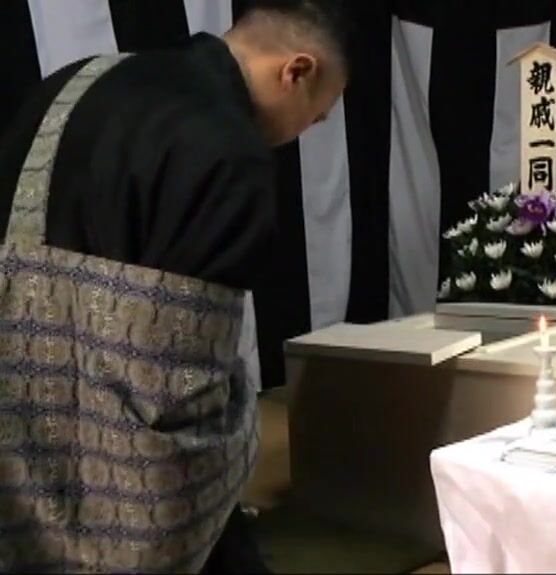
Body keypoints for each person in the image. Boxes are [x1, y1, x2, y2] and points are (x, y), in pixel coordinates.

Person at [0, 1, 348, 572]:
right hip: (121, 469)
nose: (302, 132)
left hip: (15, 434)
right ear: (297, 71)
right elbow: (186, 385)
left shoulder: (75, 82)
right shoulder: (228, 149)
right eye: (316, 117)